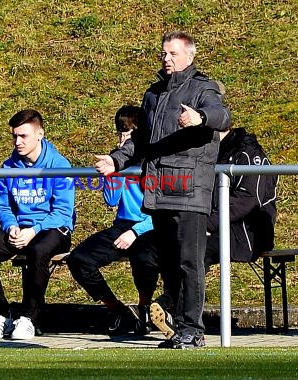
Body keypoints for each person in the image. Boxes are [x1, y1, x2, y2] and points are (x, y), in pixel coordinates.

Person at [95, 31, 231, 348]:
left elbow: (223, 115)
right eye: (163, 53)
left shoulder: (203, 87)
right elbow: (141, 143)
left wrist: (201, 117)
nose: (165, 58)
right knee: (169, 264)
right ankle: (178, 330)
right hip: (159, 191)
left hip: (189, 191)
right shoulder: (153, 95)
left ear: (189, 56)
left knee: (189, 263)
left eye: (172, 53)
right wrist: (116, 161)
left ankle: (193, 329)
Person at [0, 109, 75, 340]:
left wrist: (34, 230)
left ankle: (30, 317)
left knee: (38, 250)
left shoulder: (59, 164)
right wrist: (11, 227)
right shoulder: (9, 166)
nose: (18, 142)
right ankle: (1, 314)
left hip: (52, 228)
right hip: (19, 228)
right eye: (15, 136)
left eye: (23, 136)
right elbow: (4, 206)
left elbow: (62, 211)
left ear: (40, 134)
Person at [67, 105, 159, 335]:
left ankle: (145, 307)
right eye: (120, 133)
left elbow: (162, 210)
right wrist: (115, 170)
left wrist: (136, 232)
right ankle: (116, 309)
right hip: (123, 224)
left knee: (144, 258)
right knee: (79, 260)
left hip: (151, 226)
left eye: (128, 134)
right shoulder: (118, 159)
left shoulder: (155, 161)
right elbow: (111, 199)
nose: (122, 139)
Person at [205, 126, 278, 271]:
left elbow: (248, 199)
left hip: (247, 234)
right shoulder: (211, 154)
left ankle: (184, 294)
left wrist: (208, 224)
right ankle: (176, 293)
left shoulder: (248, 155)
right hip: (217, 227)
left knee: (193, 250)